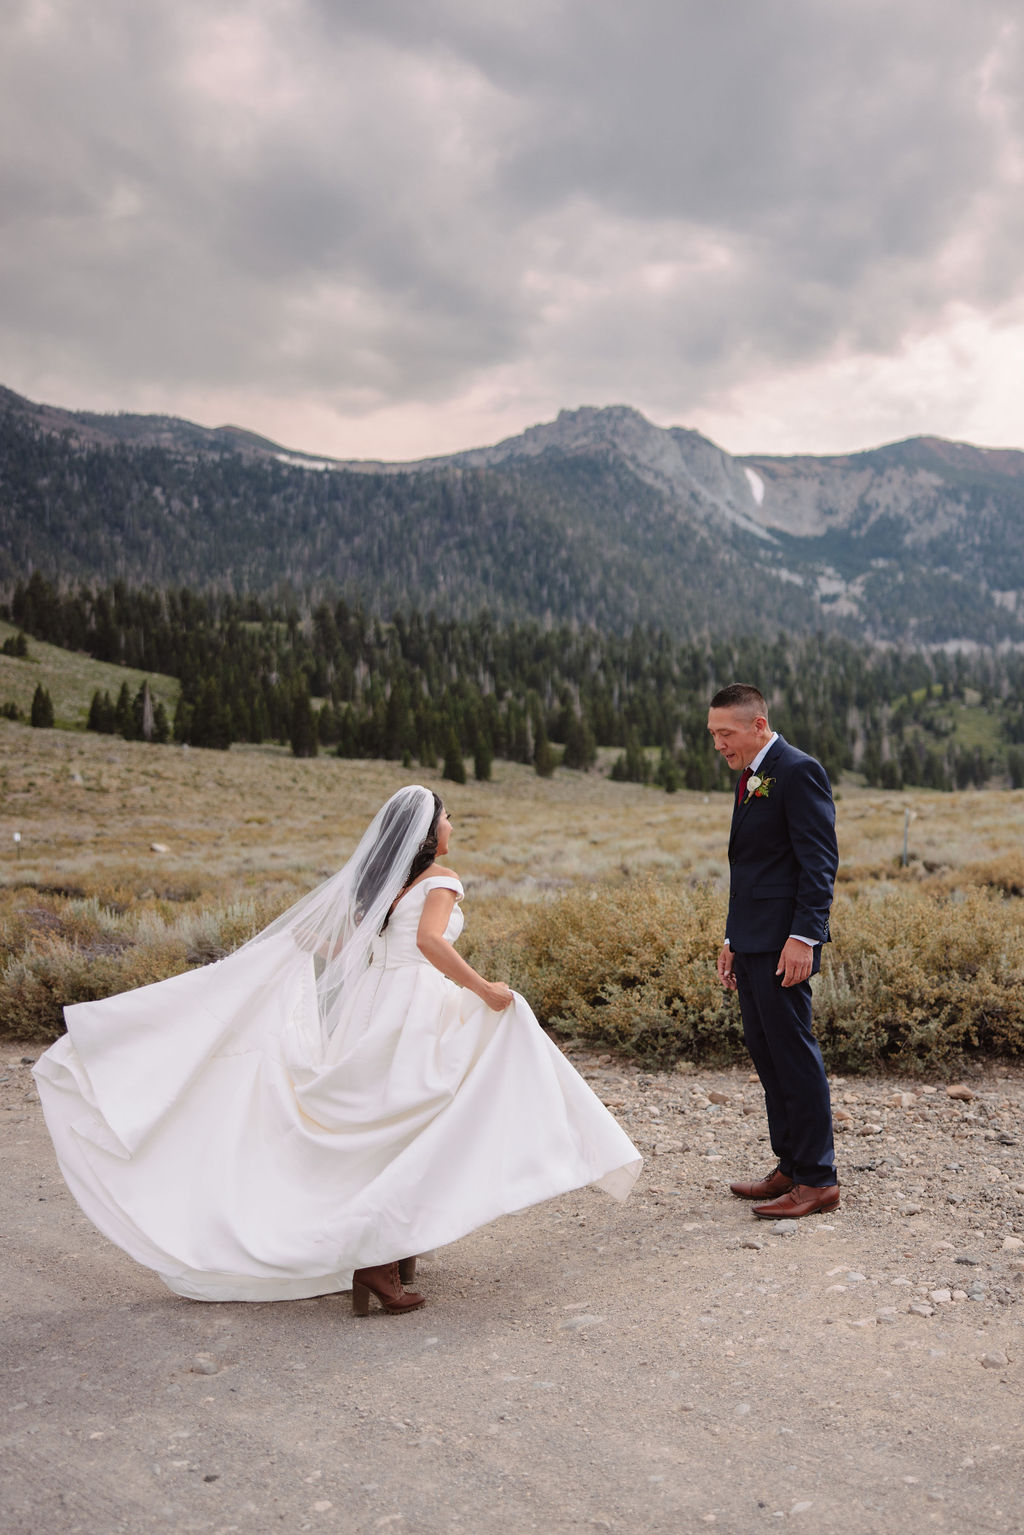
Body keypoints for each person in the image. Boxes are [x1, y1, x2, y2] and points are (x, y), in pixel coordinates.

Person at [34, 786, 641, 1312]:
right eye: (448, 819)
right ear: (428, 835)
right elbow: (430, 943)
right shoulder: (441, 880)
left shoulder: (387, 884)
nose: (454, 827)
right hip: (415, 1006)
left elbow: (339, 947)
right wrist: (484, 988)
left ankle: (389, 1248)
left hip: (377, 1006)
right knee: (429, 1109)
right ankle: (380, 1258)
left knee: (386, 1122)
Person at [707, 685, 840, 1219]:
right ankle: (789, 1164)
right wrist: (731, 939)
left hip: (787, 943)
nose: (718, 744)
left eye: (726, 733)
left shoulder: (798, 769)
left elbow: (818, 862)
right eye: (713, 734)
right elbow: (752, 868)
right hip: (754, 939)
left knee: (794, 1056)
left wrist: (804, 938)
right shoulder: (751, 774)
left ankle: (818, 1179)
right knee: (767, 1053)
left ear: (758, 725)